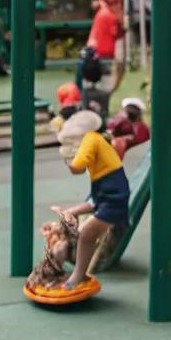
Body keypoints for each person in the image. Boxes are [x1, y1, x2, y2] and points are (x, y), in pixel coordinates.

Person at [51, 124, 130, 289]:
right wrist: (73, 211)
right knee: (71, 240)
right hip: (111, 202)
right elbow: (97, 201)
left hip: (113, 208)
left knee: (86, 233)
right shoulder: (102, 166)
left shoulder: (92, 140)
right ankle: (66, 273)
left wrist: (69, 162)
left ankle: (78, 276)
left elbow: (77, 167)